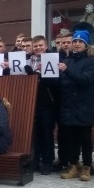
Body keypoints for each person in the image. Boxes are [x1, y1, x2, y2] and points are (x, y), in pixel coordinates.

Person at [57, 29, 94, 181]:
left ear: (86, 45)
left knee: (85, 139)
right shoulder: (67, 60)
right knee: (71, 139)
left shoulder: (93, 62)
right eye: (75, 41)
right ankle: (73, 165)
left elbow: (85, 80)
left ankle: (87, 167)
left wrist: (66, 71)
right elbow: (62, 83)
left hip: (84, 106)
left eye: (80, 42)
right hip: (68, 106)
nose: (76, 44)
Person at [25, 36, 60, 175]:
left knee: (46, 132)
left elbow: (56, 83)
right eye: (36, 46)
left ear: (46, 46)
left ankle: (47, 161)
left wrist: (39, 75)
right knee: (34, 133)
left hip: (47, 102)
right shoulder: (27, 60)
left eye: (41, 45)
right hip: (30, 101)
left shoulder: (52, 59)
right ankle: (35, 160)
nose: (38, 48)